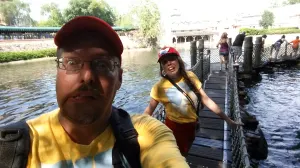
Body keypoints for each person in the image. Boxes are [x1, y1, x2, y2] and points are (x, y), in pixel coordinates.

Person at [0, 16, 189, 168]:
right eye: (72, 63)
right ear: (57, 72)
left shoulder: (147, 135)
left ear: (119, 79)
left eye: (102, 64)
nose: (88, 76)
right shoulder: (11, 146)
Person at [143, 46, 243, 156]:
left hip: (192, 125)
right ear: (162, 67)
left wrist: (228, 120)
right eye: (164, 61)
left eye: (172, 59)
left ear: (178, 60)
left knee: (185, 152)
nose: (169, 63)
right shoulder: (159, 87)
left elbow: (206, 99)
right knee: (176, 157)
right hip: (173, 129)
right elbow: (149, 111)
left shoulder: (190, 76)